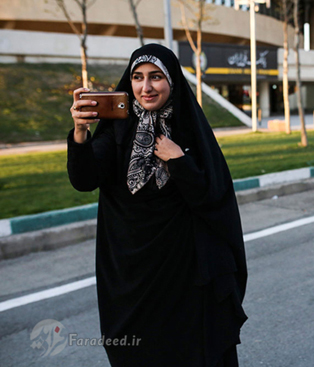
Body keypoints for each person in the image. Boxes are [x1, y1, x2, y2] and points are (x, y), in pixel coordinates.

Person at [67, 44, 247, 366]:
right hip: (131, 271)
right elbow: (85, 179)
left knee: (190, 351)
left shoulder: (190, 129)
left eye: (156, 77)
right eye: (137, 77)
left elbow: (212, 197)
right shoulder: (118, 130)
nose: (145, 87)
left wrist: (180, 160)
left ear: (172, 80)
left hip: (185, 272)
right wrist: (81, 132)